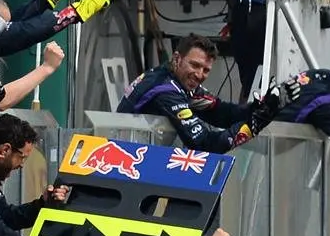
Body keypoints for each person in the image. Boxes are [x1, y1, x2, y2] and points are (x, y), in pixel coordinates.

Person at [119, 36, 282, 152]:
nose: (199, 75)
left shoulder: (178, 80)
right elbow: (204, 144)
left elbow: (220, 112)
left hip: (138, 156)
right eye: (195, 65)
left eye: (206, 70)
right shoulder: (166, 91)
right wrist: (253, 125)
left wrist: (257, 108)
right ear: (177, 59)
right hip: (126, 161)